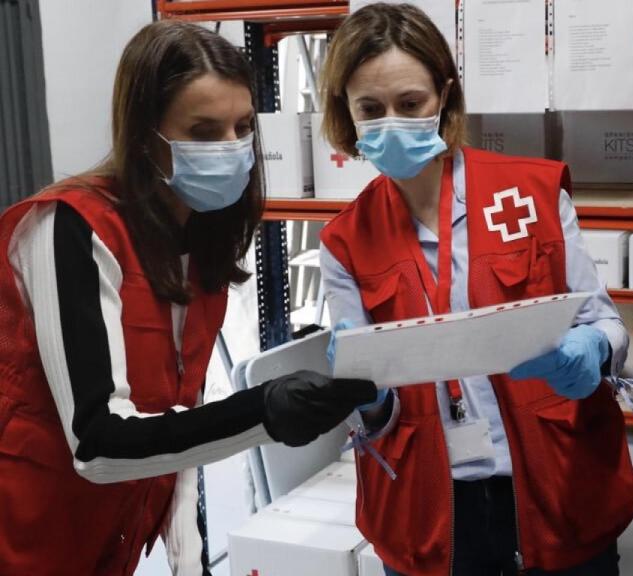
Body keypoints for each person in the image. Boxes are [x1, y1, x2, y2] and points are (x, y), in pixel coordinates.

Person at [0, 21, 377, 576]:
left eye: (243, 127)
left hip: (114, 538)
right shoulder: (69, 229)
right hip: (26, 534)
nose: (231, 149)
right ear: (146, 135)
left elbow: (180, 414)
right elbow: (99, 443)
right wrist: (262, 411)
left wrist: (188, 556)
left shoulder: (201, 241)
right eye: (203, 132)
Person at [316, 4, 633, 575]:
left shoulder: (530, 192)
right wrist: (364, 400)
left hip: (553, 484)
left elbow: (606, 324)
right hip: (433, 509)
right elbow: (376, 414)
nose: (392, 120)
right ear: (347, 110)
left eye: (411, 103)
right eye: (371, 108)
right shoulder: (346, 240)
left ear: (444, 95)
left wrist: (593, 350)